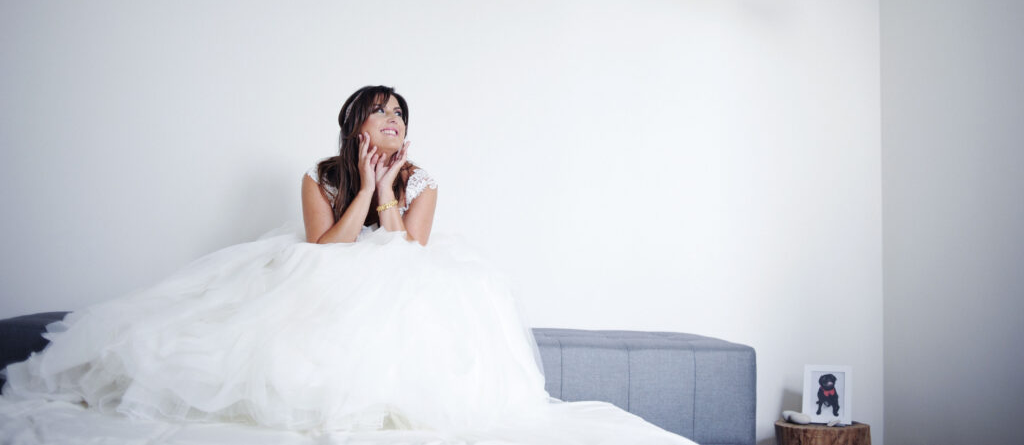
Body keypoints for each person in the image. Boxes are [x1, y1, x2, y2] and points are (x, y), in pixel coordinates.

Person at [0, 86, 696, 445]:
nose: (393, 119)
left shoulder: (423, 181)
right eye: (379, 112)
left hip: (400, 277)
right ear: (356, 125)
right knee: (297, 287)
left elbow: (407, 256)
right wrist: (361, 184)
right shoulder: (321, 174)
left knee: (414, 284)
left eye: (400, 113)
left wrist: (390, 186)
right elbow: (324, 250)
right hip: (327, 273)